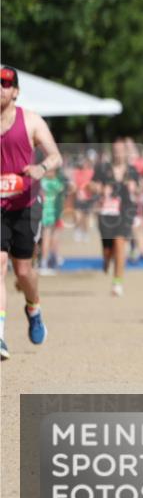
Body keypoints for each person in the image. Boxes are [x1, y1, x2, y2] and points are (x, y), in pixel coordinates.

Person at [0, 65, 62, 360]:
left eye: (4, 83)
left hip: (25, 204)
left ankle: (34, 308)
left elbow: (55, 156)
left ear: (15, 91)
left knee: (23, 271)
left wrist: (40, 168)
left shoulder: (31, 121)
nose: (0, 87)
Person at [92, 139, 141, 297]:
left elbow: (140, 189)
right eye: (115, 150)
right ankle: (106, 259)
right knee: (108, 249)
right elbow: (90, 185)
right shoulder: (103, 168)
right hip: (107, 213)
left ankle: (117, 283)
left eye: (121, 150)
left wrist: (135, 188)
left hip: (126, 211)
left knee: (120, 243)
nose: (118, 153)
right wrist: (100, 188)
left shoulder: (132, 170)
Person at [38, 165, 66, 275]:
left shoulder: (41, 182)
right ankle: (45, 262)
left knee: (51, 237)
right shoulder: (56, 182)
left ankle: (51, 259)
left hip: (51, 214)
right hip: (50, 214)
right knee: (48, 237)